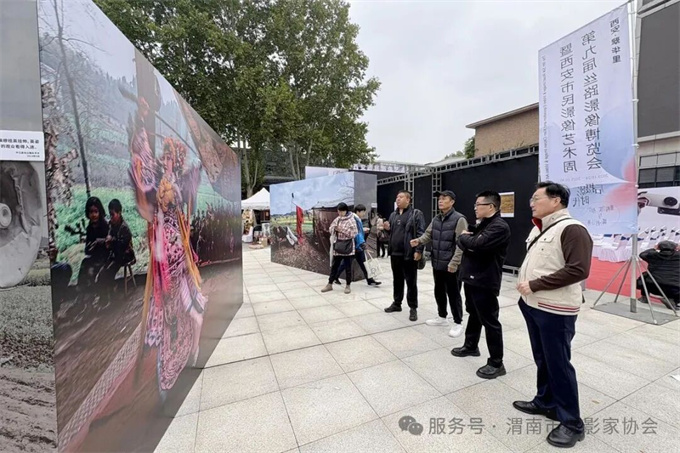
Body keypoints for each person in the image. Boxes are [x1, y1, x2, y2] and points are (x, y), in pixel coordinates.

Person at [514, 181, 593, 449]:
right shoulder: (541, 228)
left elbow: (578, 270)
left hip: (556, 310)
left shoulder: (573, 229)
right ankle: (546, 401)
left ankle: (572, 423)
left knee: (559, 363)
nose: (531, 203)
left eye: (536, 198)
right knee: (543, 358)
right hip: (534, 305)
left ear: (556, 200)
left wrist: (536, 284)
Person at [451, 190, 510, 379]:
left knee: (490, 320)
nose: (475, 208)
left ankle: (496, 362)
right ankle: (471, 346)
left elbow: (476, 244)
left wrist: (464, 239)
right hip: (471, 277)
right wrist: (467, 240)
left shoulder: (499, 227)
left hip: (485, 280)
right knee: (474, 313)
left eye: (478, 205)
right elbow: (470, 243)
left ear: (491, 206)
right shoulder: (483, 224)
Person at [410, 190, 468, 337]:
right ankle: (442, 317)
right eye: (439, 199)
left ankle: (458, 322)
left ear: (452, 202)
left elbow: (462, 243)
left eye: (444, 198)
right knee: (439, 291)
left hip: (451, 265)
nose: (440, 201)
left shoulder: (459, 219)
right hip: (437, 263)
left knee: (453, 294)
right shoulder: (436, 218)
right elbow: (428, 234)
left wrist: (454, 262)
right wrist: (419, 241)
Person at [383, 190, 426, 322]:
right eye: (397, 197)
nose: (398, 199)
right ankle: (397, 303)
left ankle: (413, 307)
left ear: (408, 200)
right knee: (397, 280)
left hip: (409, 254)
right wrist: (387, 229)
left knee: (411, 282)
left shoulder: (416, 214)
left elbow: (421, 233)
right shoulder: (393, 215)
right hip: (395, 254)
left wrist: (419, 250)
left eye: (401, 197)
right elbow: (392, 233)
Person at [96, 199, 135, 302]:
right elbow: (109, 238)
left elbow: (122, 247)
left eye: (113, 214)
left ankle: (112, 295)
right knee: (102, 272)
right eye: (110, 215)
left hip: (125, 255)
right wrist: (107, 240)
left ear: (119, 213)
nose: (111, 217)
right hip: (115, 254)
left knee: (109, 271)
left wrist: (111, 241)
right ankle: (105, 296)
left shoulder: (125, 228)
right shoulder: (112, 225)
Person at [336, 204, 382, 287]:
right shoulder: (355, 219)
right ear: (358, 211)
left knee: (363, 264)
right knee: (346, 264)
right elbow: (356, 234)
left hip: (357, 246)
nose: (364, 214)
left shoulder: (356, 219)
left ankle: (370, 280)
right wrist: (362, 244)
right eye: (363, 212)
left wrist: (363, 231)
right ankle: (335, 277)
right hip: (355, 246)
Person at [322, 202, 358, 294]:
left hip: (347, 247)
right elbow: (331, 228)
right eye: (339, 211)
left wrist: (341, 230)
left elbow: (354, 234)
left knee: (348, 267)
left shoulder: (351, 220)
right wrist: (333, 229)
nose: (340, 213)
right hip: (338, 245)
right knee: (334, 266)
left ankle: (348, 285)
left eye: (341, 211)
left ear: (346, 210)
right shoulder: (337, 219)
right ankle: (329, 284)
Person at [77, 197, 109, 292]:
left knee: (90, 271)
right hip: (95, 257)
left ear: (100, 212)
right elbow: (87, 250)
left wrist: (99, 243)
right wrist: (90, 247)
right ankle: (81, 293)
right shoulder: (90, 228)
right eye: (91, 212)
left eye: (96, 211)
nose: (93, 215)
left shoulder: (105, 225)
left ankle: (92, 293)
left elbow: (110, 243)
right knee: (84, 264)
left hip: (106, 257)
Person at [637, 240, 680, 309]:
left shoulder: (653, 255)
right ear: (675, 248)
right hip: (674, 288)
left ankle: (644, 297)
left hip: (652, 286)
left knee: (645, 275)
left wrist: (654, 249)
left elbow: (642, 254)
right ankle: (673, 300)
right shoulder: (678, 256)